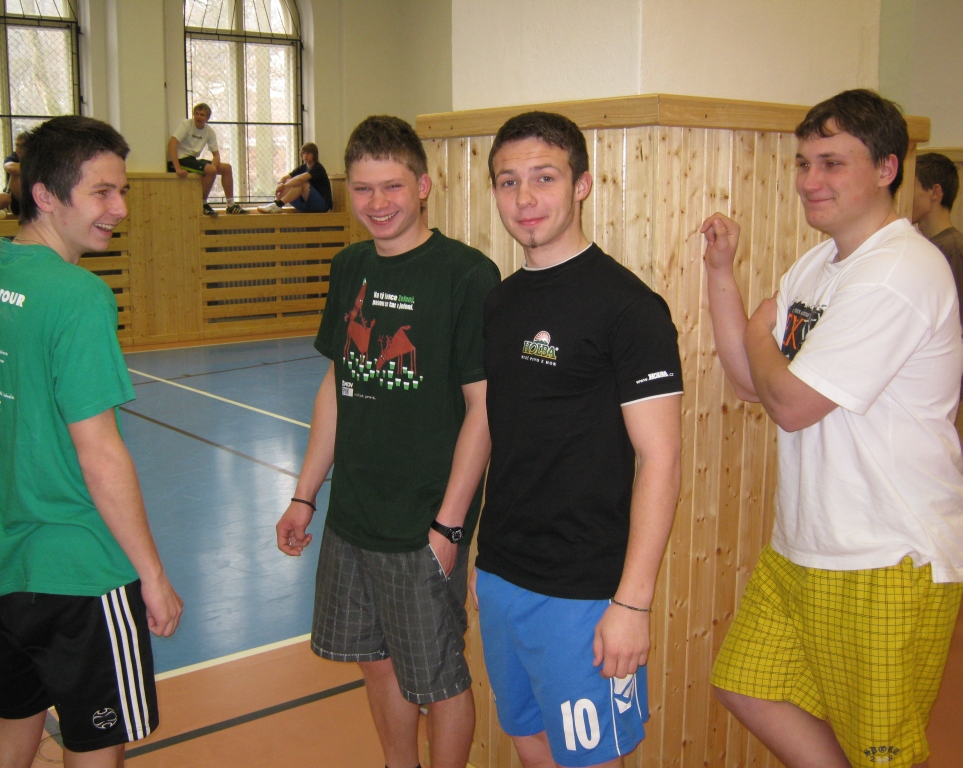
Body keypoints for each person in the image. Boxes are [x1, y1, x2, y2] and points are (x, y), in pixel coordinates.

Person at [702, 89, 963, 768]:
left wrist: (762, 333)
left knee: (885, 753)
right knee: (745, 684)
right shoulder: (819, 266)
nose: (809, 181)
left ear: (887, 168)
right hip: (808, 545)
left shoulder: (900, 271)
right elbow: (750, 382)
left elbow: (790, 403)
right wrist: (722, 276)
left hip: (887, 553)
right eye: (803, 163)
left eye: (832, 163)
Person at [0, 115, 183, 767]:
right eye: (102, 192)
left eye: (121, 190)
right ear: (46, 194)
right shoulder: (78, 297)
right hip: (76, 569)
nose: (120, 208)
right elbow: (99, 452)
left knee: (12, 723)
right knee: (95, 747)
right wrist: (152, 576)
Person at [275, 115, 500, 768]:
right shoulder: (349, 266)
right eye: (363, 188)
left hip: (422, 520)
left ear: (423, 186)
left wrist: (450, 525)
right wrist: (305, 495)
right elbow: (337, 384)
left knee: (438, 676)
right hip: (352, 515)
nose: (377, 203)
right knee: (374, 662)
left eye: (392, 186)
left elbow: (484, 409)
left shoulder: (466, 274)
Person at [472, 111, 683, 768]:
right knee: (527, 737)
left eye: (545, 177)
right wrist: (474, 555)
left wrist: (632, 602)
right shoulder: (501, 303)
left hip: (584, 591)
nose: (525, 198)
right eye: (508, 181)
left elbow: (661, 457)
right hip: (502, 571)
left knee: (591, 760)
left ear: (582, 184)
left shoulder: (630, 308)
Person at [167, 102, 246, 215]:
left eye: (202, 115)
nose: (198, 117)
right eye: (197, 114)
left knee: (226, 168)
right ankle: (202, 204)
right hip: (180, 160)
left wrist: (213, 168)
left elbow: (216, 155)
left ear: (207, 118)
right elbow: (172, 143)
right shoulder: (186, 125)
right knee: (211, 170)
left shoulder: (209, 131)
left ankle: (231, 205)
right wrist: (177, 168)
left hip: (192, 160)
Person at [912, 152, 962, 320]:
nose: (903, 197)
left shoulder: (952, 247)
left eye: (910, 188)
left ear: (934, 192)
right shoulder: (923, 245)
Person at [257, 142, 333, 213]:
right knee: (288, 180)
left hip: (322, 205)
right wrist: (280, 184)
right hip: (306, 205)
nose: (305, 156)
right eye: (303, 153)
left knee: (301, 183)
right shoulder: (302, 167)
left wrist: (284, 186)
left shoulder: (318, 168)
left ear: (314, 155)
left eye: (308, 153)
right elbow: (285, 177)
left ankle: (278, 204)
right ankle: (276, 204)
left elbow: (300, 179)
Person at [3, 130, 29, 216]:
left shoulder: (36, 158)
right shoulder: (12, 158)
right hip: (16, 201)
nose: (19, 149)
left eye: (22, 146)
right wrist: (33, 167)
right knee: (16, 175)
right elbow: (11, 168)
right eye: (17, 145)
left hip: (33, 196)